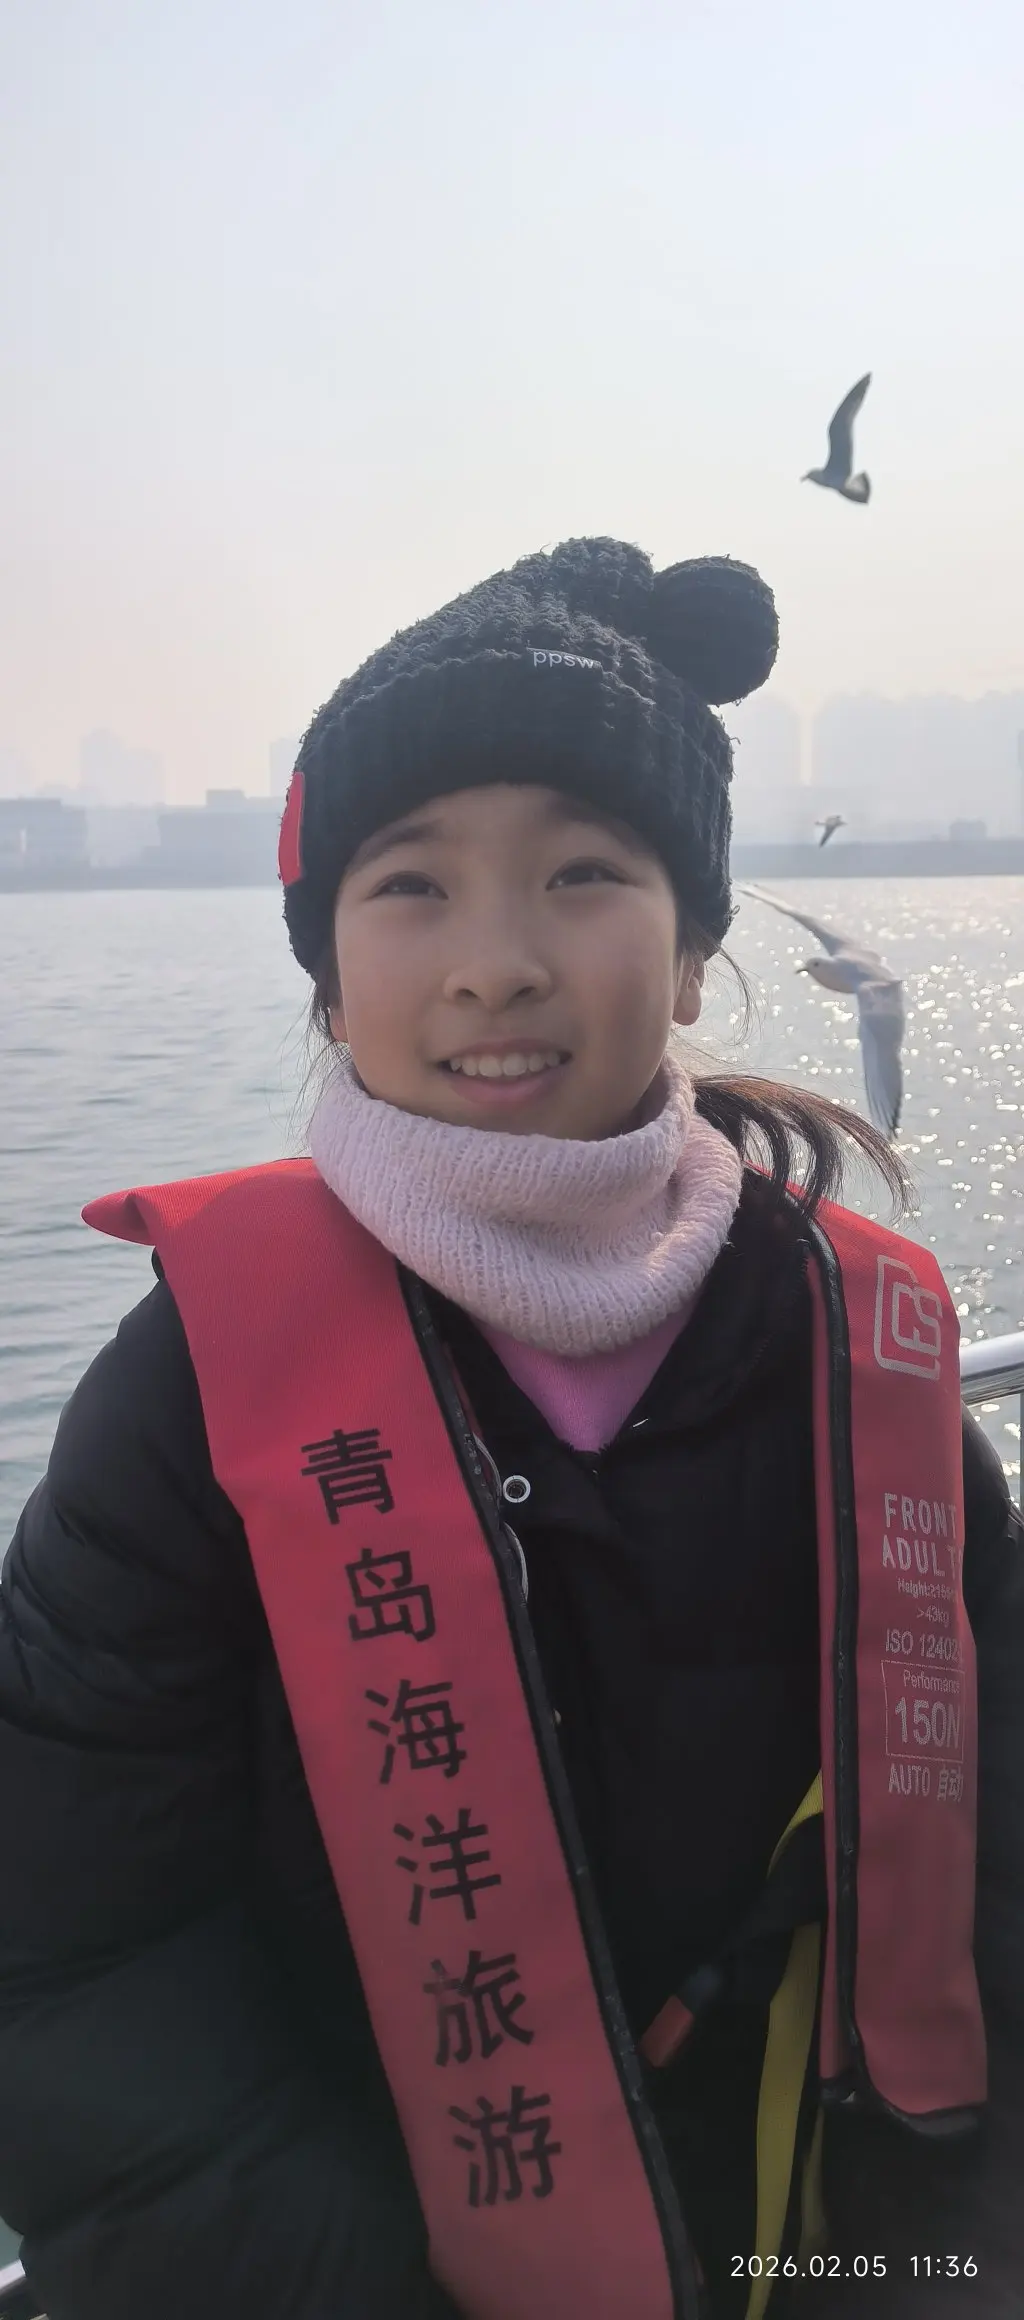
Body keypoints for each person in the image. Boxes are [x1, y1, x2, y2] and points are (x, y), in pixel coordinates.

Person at [0, 537, 1022, 2320]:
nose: (495, 963)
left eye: (582, 872)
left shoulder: (864, 1354)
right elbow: (72, 1959)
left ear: (693, 953)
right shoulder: (190, 1398)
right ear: (327, 973)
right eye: (410, 885)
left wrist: (941, 2256)